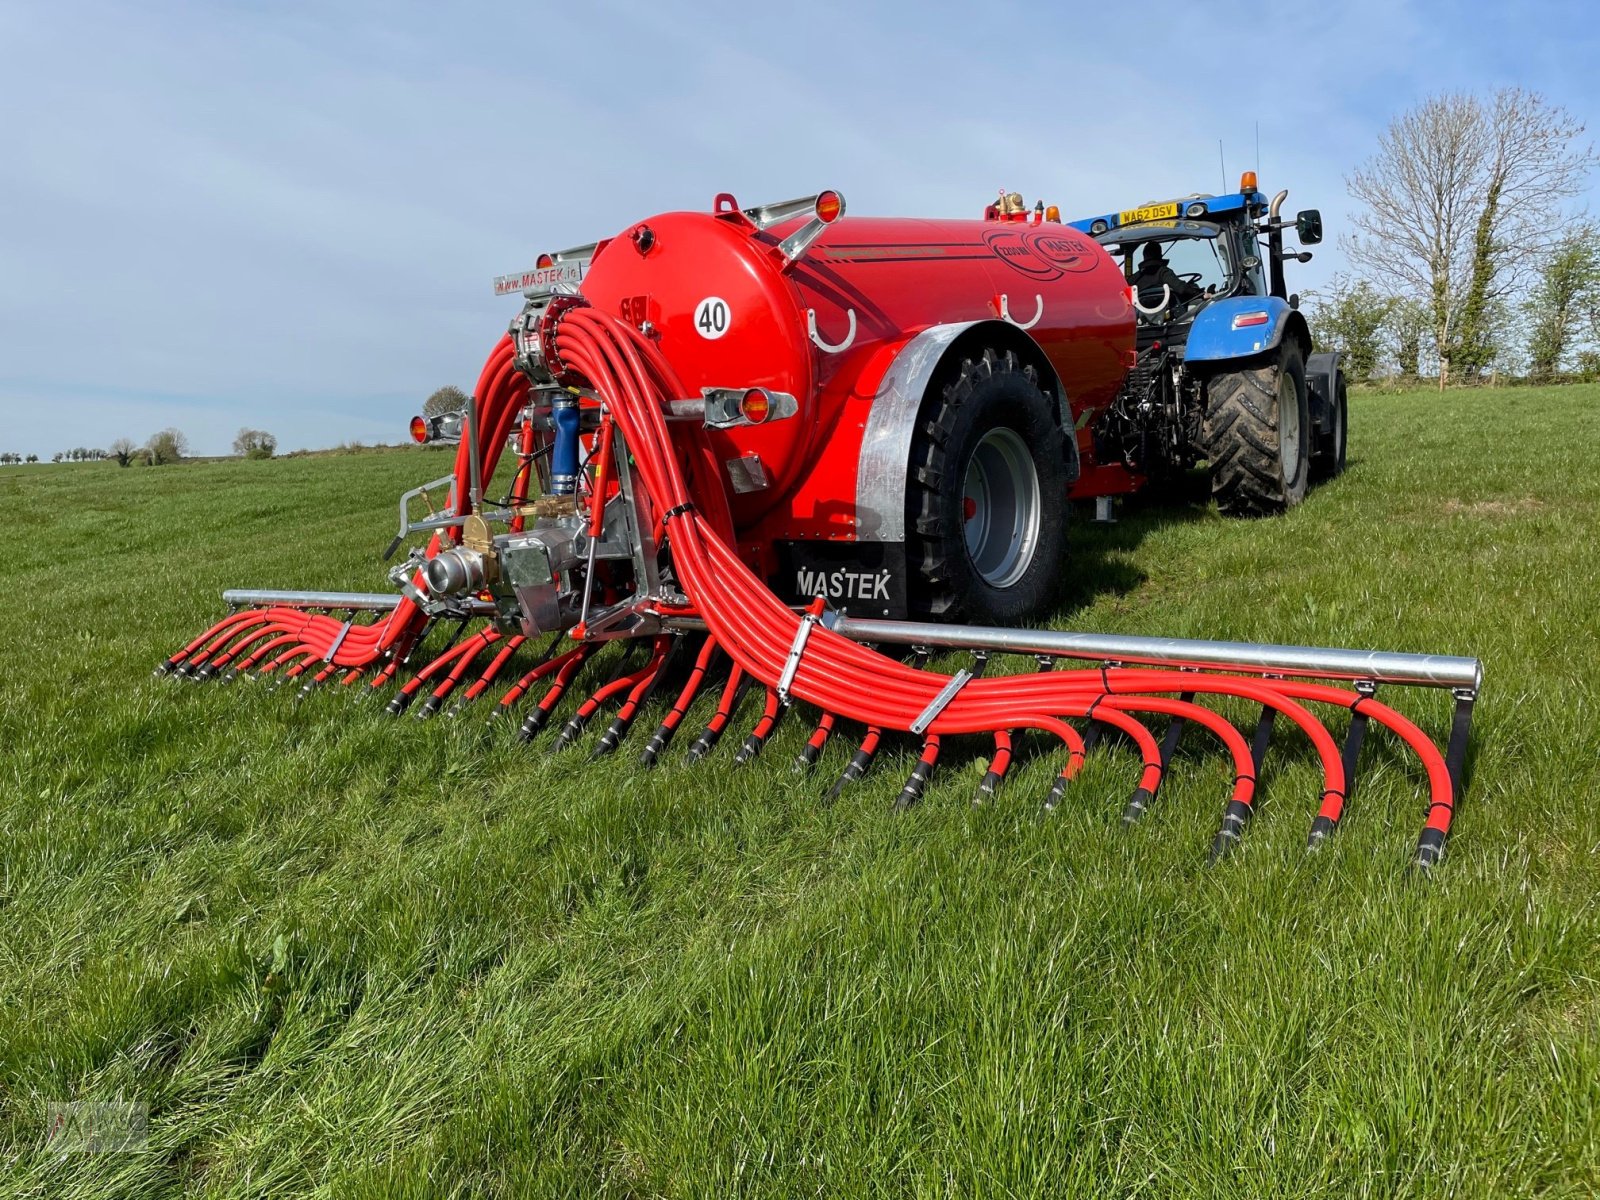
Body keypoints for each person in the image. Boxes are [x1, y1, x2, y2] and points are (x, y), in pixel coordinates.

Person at [1131, 242, 1203, 309]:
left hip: (1140, 316)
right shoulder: (1163, 272)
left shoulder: (1134, 278)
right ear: (1160, 255)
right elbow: (1181, 288)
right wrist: (1200, 294)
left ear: (1144, 256)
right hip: (1169, 316)